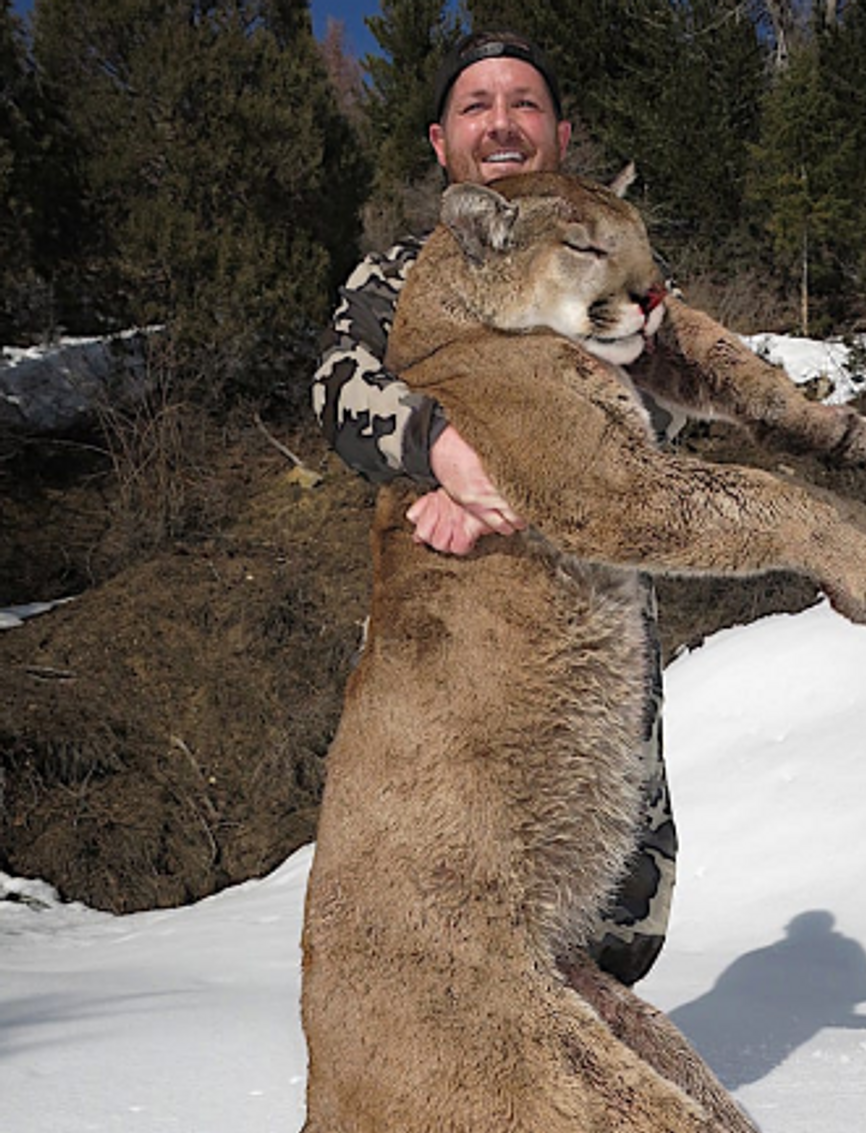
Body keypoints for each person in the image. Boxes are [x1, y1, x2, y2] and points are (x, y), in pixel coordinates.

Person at [313, 30, 685, 989]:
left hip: (592, 644)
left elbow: (659, 414)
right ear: (442, 145)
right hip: (449, 654)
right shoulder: (394, 278)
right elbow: (337, 389)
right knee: (450, 916)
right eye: (475, 105)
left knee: (612, 936)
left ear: (561, 134)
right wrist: (436, 444)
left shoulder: (621, 272)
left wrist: (489, 489)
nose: (502, 122)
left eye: (523, 103)